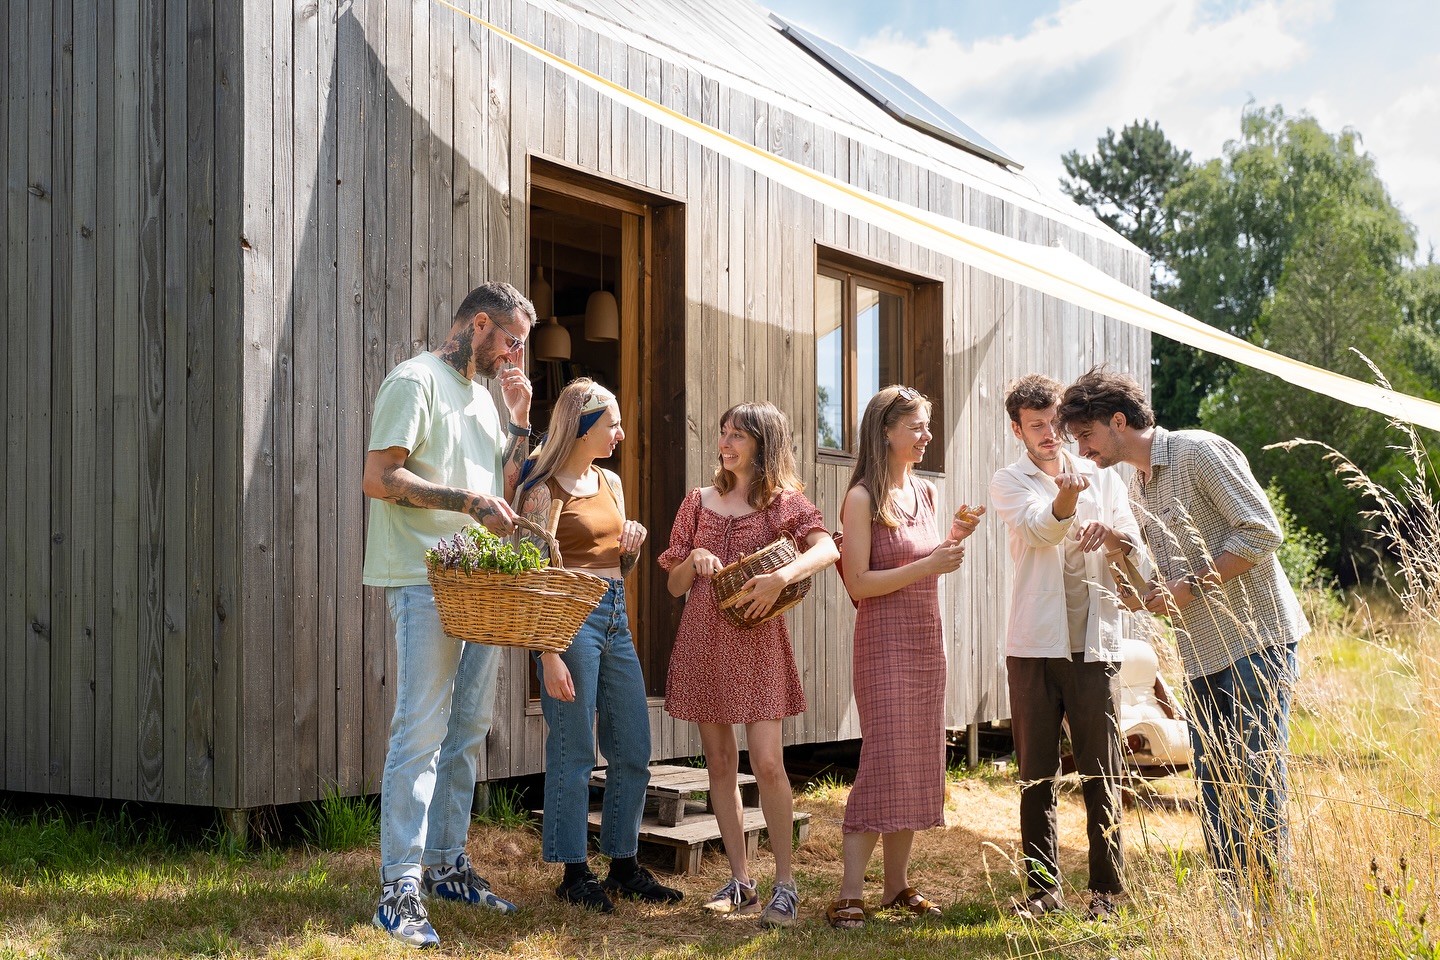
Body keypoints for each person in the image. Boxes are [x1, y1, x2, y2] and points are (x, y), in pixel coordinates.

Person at [1058, 368, 1309, 898]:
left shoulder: (1197, 450)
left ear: (1118, 421)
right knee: (1216, 788)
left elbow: (1262, 529)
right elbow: (1159, 587)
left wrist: (1189, 588)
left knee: (1257, 782)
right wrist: (1123, 552)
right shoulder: (1139, 485)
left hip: (1255, 643)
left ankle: (1271, 906)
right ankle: (1234, 901)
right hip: (1201, 655)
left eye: (1086, 435)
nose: (1082, 450)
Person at [361, 281, 535, 948]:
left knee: (468, 729)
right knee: (421, 731)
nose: (515, 355)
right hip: (425, 581)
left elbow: (506, 491)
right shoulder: (415, 381)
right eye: (512, 340)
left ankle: (446, 863)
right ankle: (398, 886)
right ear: (481, 324)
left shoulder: (488, 401)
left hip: (480, 587)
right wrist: (466, 502)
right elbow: (379, 476)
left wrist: (518, 420)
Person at [658, 401, 839, 928]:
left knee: (767, 763)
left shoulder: (783, 503)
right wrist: (692, 561)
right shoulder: (698, 502)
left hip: (758, 643)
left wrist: (782, 577)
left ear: (764, 444)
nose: (727, 443)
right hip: (703, 642)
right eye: (724, 433)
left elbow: (826, 548)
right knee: (718, 765)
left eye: (739, 435)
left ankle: (786, 885)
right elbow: (673, 584)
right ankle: (742, 882)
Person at [515, 379, 683, 913]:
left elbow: (617, 566)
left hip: (614, 614)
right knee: (574, 748)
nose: (620, 432)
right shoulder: (543, 491)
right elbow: (532, 575)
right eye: (611, 423)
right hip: (568, 621)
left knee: (633, 746)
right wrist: (548, 651)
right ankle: (573, 873)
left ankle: (624, 864)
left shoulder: (610, 481)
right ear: (583, 425)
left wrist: (630, 550)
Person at [828, 385, 983, 929]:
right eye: (916, 426)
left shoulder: (927, 493)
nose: (926, 436)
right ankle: (849, 893)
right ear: (886, 430)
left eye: (927, 426)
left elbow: (925, 556)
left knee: (916, 762)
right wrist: (930, 566)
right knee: (884, 761)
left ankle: (895, 887)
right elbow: (860, 582)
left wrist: (956, 535)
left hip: (924, 640)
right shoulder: (861, 498)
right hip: (884, 643)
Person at [990, 374, 1143, 921]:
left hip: (1094, 646)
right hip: (1033, 645)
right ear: (1018, 430)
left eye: (1056, 423)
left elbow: (1133, 546)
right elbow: (1037, 531)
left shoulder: (1105, 477)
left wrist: (1114, 536)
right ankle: (1042, 891)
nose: (1051, 435)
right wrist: (1065, 500)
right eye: (1037, 427)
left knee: (1104, 771)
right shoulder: (1010, 480)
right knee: (1036, 772)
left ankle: (1106, 889)